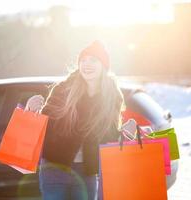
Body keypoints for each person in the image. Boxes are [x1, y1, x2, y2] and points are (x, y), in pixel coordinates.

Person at [25, 40, 135, 200]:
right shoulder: (63, 89)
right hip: (54, 169)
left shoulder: (112, 96)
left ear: (104, 65)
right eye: (83, 60)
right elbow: (45, 122)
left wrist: (125, 133)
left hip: (87, 172)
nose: (86, 64)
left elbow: (108, 137)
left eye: (93, 60)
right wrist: (30, 110)